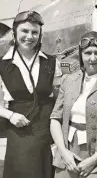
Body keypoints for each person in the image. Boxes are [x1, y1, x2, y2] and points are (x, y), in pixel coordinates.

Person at [0, 11, 62, 178]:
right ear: (14, 33)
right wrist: (10, 115)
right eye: (24, 31)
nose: (30, 36)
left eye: (35, 32)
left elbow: (59, 98)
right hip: (18, 132)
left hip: (45, 131)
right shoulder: (2, 64)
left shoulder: (51, 62)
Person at [50, 31, 97, 178]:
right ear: (81, 55)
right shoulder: (68, 80)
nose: (92, 58)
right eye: (87, 53)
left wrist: (94, 160)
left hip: (96, 158)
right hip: (66, 156)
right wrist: (64, 152)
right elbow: (55, 119)